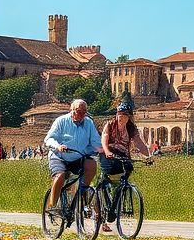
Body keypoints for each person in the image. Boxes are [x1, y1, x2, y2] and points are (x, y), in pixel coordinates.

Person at [98, 101, 152, 231]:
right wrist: (107, 152)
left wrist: (148, 156)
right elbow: (104, 140)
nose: (121, 117)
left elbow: (139, 143)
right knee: (107, 175)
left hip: (123, 155)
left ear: (129, 117)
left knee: (127, 171)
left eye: (124, 114)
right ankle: (104, 210)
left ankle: (116, 203)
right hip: (108, 154)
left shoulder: (131, 128)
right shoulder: (110, 125)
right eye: (119, 114)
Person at [44, 99, 103, 214]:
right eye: (78, 111)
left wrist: (101, 150)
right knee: (60, 176)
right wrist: (58, 146)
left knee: (91, 164)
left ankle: (83, 192)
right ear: (71, 110)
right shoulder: (61, 121)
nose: (81, 115)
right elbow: (49, 139)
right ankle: (52, 205)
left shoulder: (89, 123)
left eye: (84, 112)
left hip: (78, 156)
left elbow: (96, 141)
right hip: (59, 156)